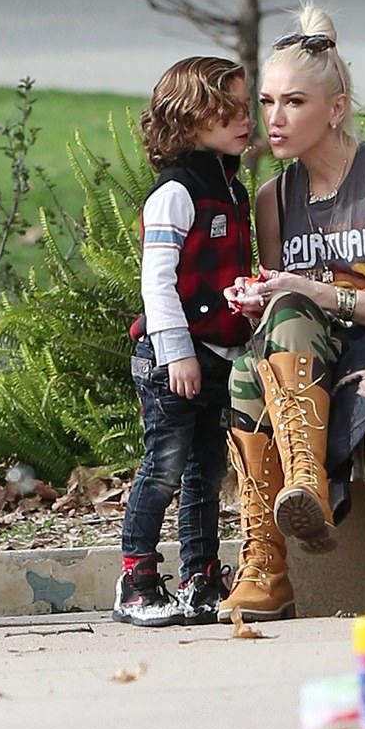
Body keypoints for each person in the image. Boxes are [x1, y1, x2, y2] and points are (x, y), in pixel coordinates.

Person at [219, 2, 365, 623]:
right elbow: (283, 315)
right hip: (309, 367)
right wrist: (257, 299)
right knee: (248, 362)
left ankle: (293, 514)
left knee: (292, 308)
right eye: (267, 102)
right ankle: (266, 559)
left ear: (336, 108)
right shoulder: (273, 198)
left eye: (294, 102)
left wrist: (318, 292)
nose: (274, 118)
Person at [112, 56, 253, 628]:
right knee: (163, 469)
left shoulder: (232, 188)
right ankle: (136, 579)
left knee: (205, 474)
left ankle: (201, 577)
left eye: (246, 107)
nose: (245, 119)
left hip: (217, 356)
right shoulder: (175, 193)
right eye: (228, 110)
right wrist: (178, 353)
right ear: (188, 120)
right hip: (173, 360)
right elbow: (157, 284)